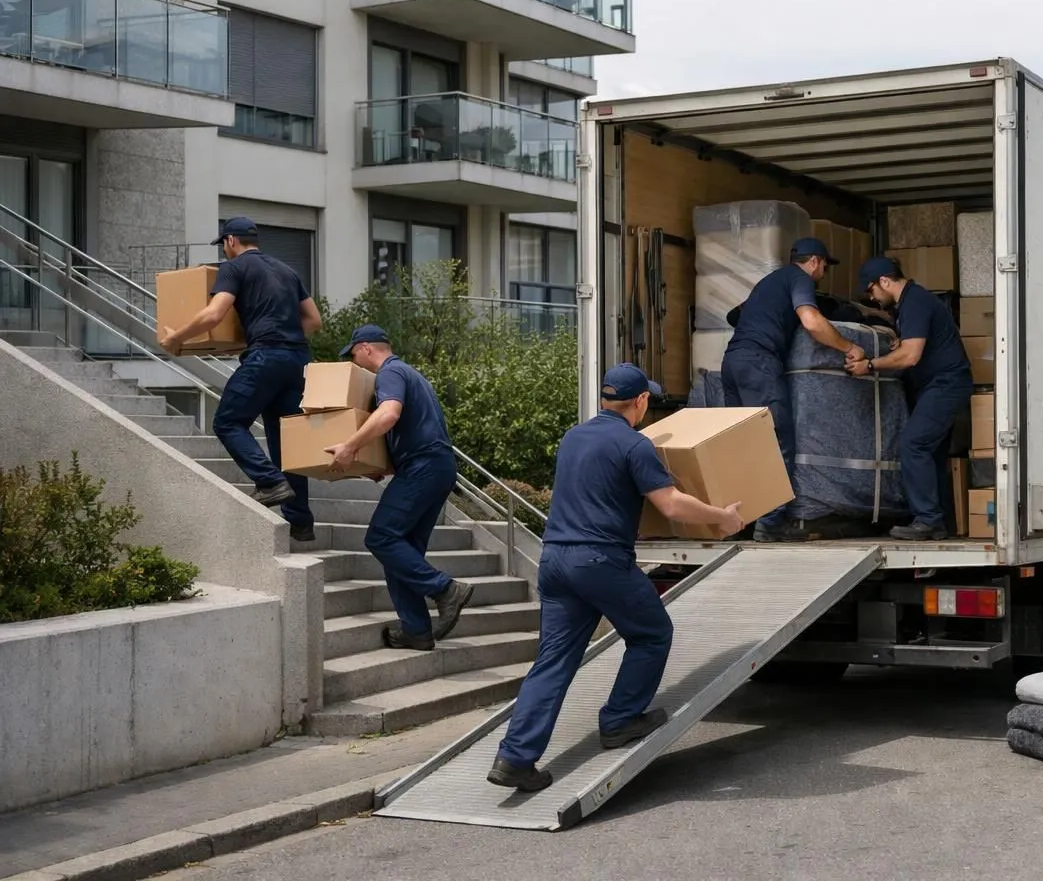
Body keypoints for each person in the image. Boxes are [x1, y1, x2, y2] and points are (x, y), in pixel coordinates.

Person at [487, 363, 745, 792]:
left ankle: (514, 757)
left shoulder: (573, 437)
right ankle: (621, 720)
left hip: (555, 560)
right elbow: (673, 505)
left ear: (605, 399)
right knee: (651, 633)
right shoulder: (634, 444)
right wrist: (722, 518)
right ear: (641, 401)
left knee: (552, 660)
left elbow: (595, 491)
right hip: (599, 561)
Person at [159, 216, 319, 543]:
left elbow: (214, 314)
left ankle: (269, 482)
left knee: (228, 421)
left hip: (266, 358)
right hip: (299, 361)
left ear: (231, 241)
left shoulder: (233, 268)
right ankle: (300, 523)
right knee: (287, 440)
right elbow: (314, 320)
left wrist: (178, 339)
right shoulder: (287, 271)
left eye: (225, 245)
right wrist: (277, 335)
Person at [324, 325, 475, 650]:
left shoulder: (390, 373)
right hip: (433, 466)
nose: (356, 362)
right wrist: (380, 467)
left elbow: (389, 415)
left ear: (365, 347)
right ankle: (417, 630)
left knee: (381, 536)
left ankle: (445, 589)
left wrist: (350, 446)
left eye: (353, 354)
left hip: (424, 466)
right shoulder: (411, 375)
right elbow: (412, 428)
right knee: (402, 552)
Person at [720, 237, 865, 541]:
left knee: (745, 445)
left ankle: (739, 520)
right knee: (777, 441)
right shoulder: (799, 278)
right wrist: (848, 346)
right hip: (760, 363)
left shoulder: (769, 282)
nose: (824, 272)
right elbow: (812, 321)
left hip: (733, 362)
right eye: (824, 265)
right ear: (814, 261)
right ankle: (771, 523)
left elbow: (733, 316)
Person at [848, 256, 973, 540]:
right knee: (932, 452)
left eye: (871, 291)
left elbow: (911, 355)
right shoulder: (910, 304)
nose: (873, 298)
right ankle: (940, 521)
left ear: (884, 281)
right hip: (941, 385)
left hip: (945, 384)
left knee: (913, 444)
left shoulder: (915, 301)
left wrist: (869, 365)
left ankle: (927, 519)